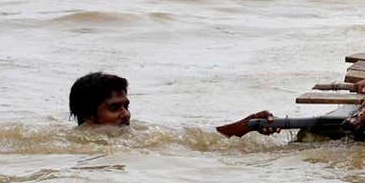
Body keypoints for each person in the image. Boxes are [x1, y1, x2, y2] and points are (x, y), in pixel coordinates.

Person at [67, 71, 277, 138]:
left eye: (126, 106)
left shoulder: (135, 133)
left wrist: (248, 124)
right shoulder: (86, 143)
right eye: (114, 108)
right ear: (89, 116)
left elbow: (195, 137)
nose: (125, 114)